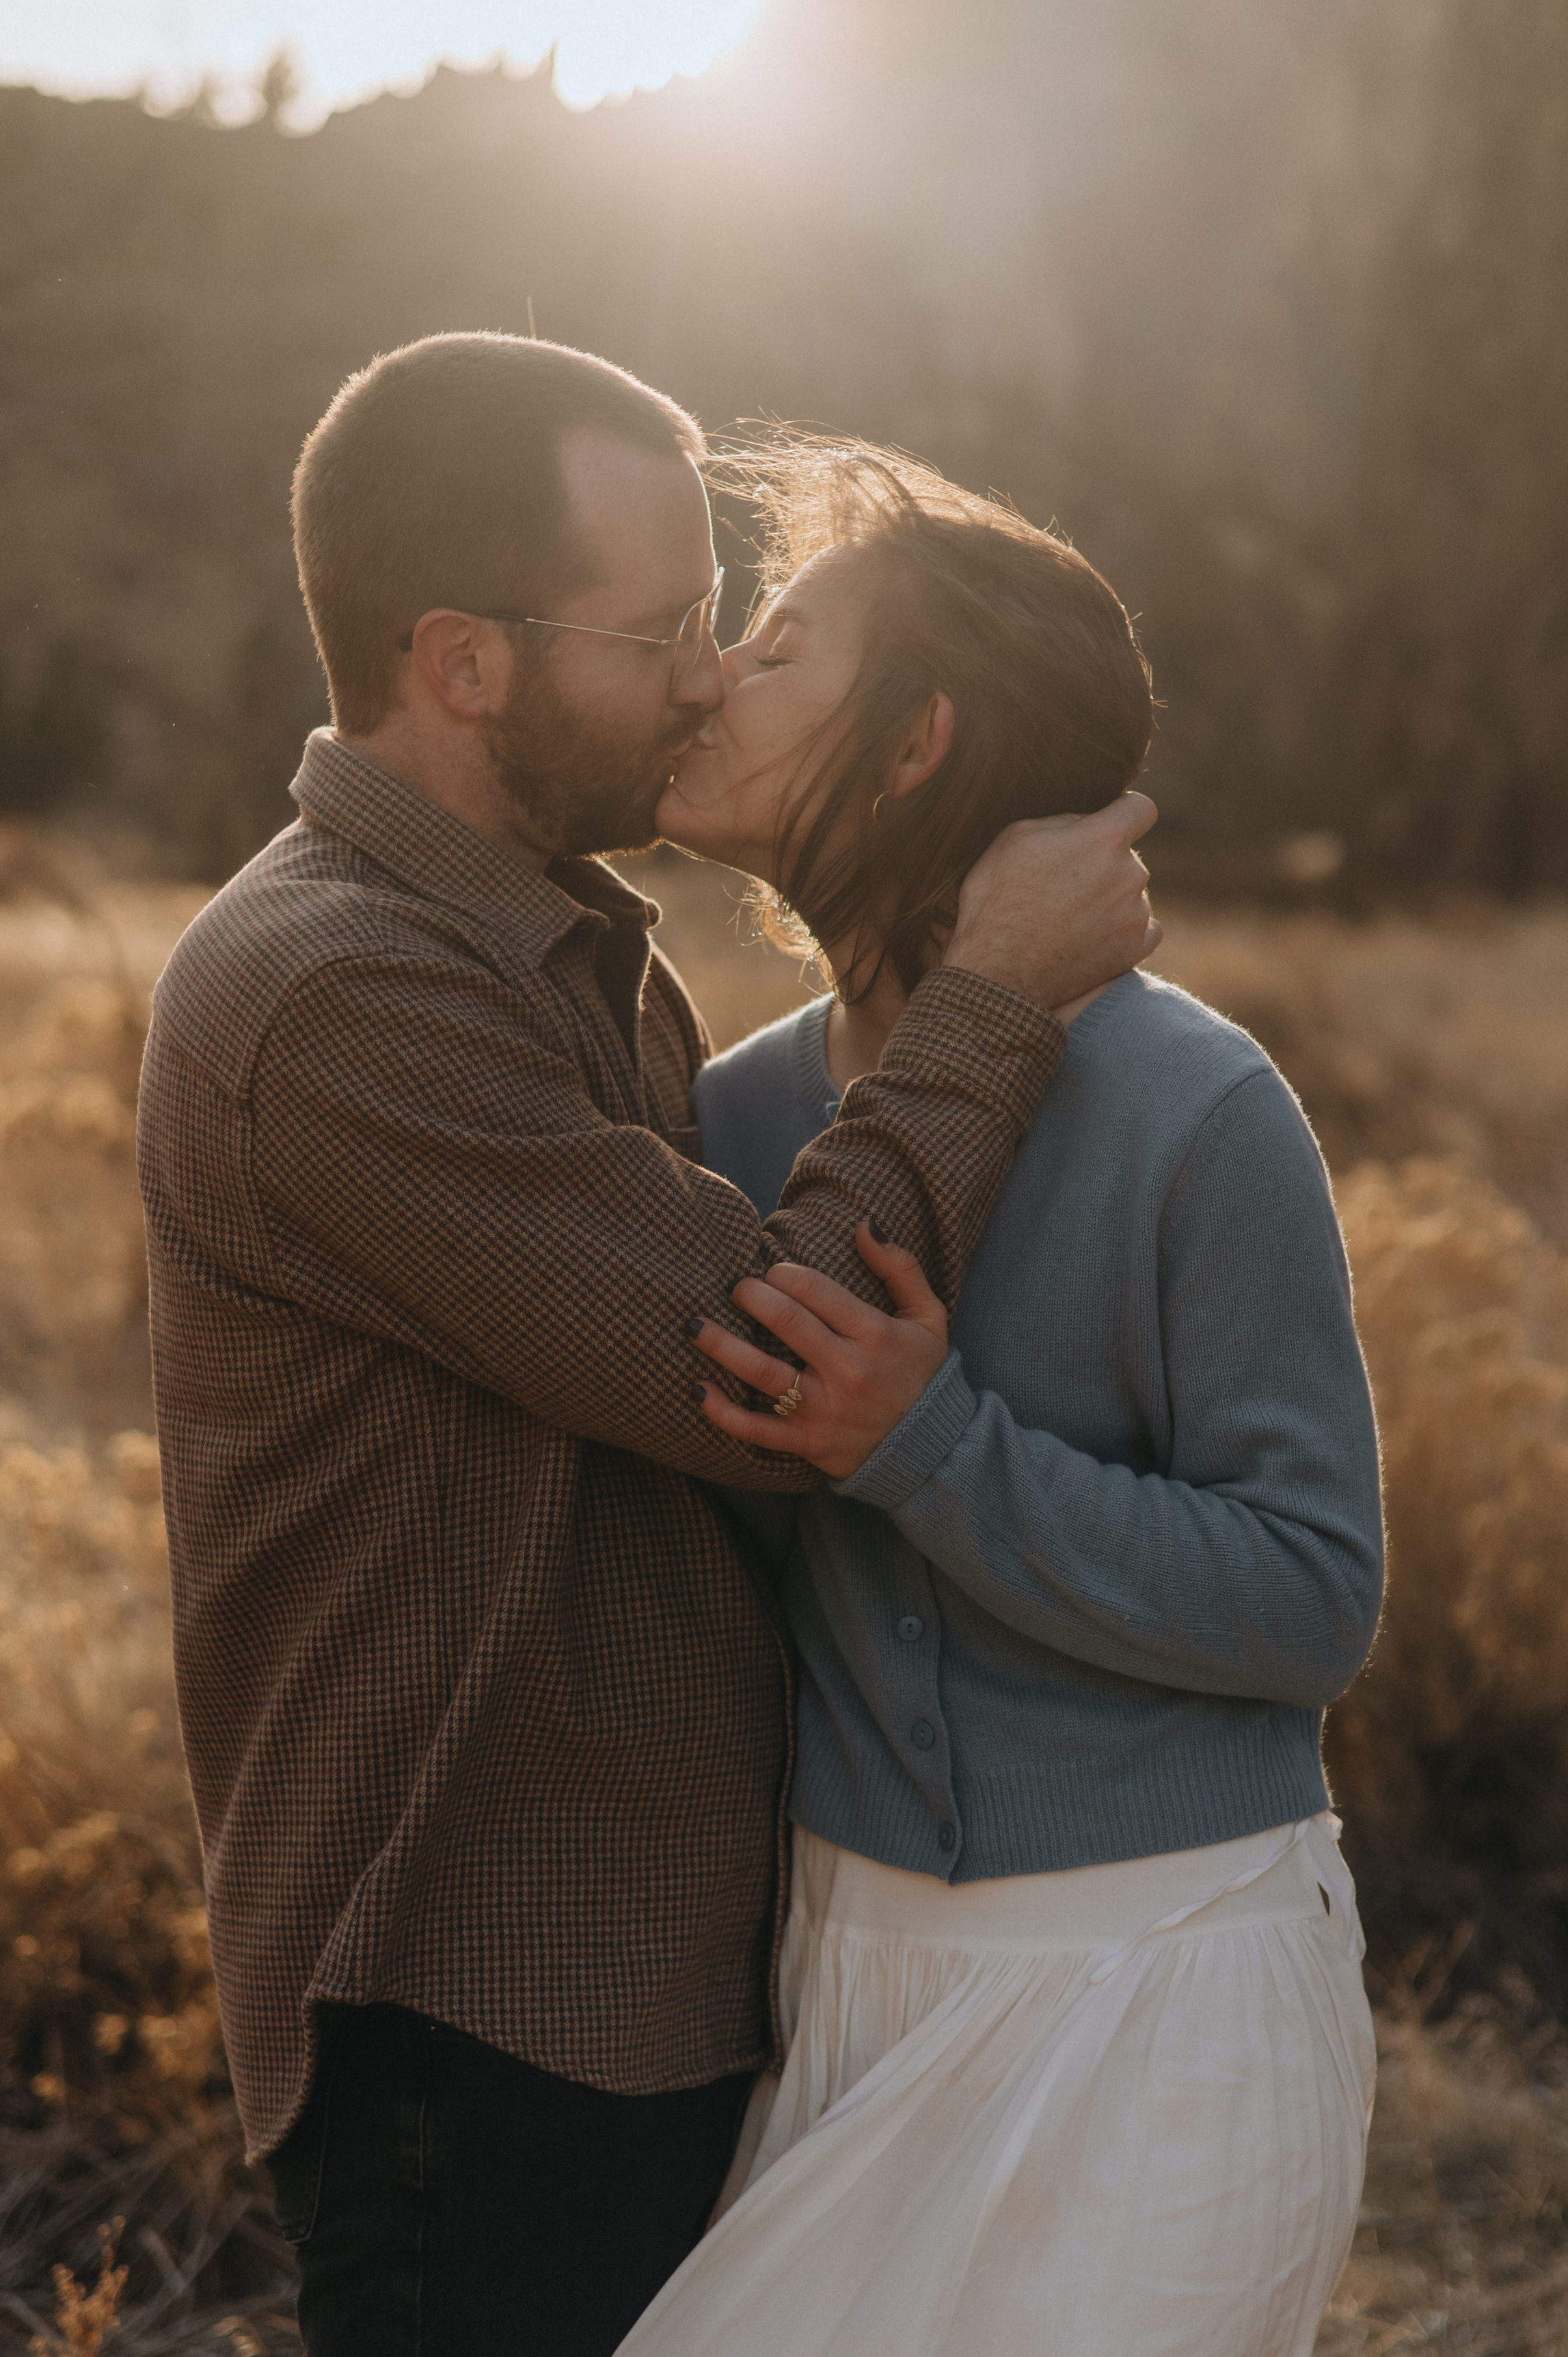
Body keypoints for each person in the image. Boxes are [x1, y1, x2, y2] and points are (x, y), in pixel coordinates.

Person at [135, 335, 1159, 2357]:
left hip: (639, 1999)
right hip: (483, 2016)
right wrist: (998, 997)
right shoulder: (332, 993)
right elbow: (768, 1379)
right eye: (667, 627)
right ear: (464, 661)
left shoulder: (554, 944)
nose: (708, 674)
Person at [616, 435, 1383, 2357]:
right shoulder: (742, 1115)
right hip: (845, 1978)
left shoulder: (1200, 1111)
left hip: (1167, 1980)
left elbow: (1314, 1593)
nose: (712, 674)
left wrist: (932, 1449)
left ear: (913, 742)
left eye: (779, 649)